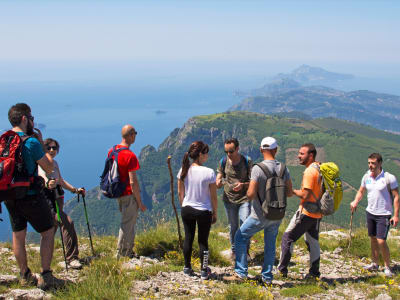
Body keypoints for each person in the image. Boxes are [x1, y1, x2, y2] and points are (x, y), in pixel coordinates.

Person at [4, 103, 64, 290]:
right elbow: (48, 167)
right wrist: (41, 142)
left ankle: (24, 274)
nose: (33, 121)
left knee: (18, 234)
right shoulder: (30, 142)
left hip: (9, 195)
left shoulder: (4, 140)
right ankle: (46, 275)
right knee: (48, 231)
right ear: (24, 118)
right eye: (31, 118)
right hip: (30, 195)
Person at [224, 137, 293, 285]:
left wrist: (246, 189)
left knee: (240, 237)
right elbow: (289, 192)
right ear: (276, 150)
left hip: (259, 215)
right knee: (270, 244)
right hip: (277, 214)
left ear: (261, 150)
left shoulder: (258, 168)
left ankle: (241, 273)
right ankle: (267, 278)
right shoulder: (283, 168)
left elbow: (250, 194)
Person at [38, 138, 85, 269]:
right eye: (49, 148)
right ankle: (72, 258)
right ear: (44, 149)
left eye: (54, 148)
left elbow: (61, 181)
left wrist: (75, 190)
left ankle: (44, 260)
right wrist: (48, 183)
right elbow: (41, 176)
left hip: (58, 199)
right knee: (67, 223)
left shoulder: (55, 163)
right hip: (49, 200)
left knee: (51, 229)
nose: (52, 150)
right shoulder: (41, 163)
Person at [278, 143, 323, 279]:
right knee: (313, 241)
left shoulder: (310, 171)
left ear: (311, 155)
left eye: (302, 154)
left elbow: (306, 195)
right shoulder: (319, 168)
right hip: (317, 212)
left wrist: (292, 191)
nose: (298, 156)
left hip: (306, 212)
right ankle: (314, 273)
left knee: (288, 238)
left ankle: (282, 270)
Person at [350, 153, 399, 277]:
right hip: (370, 212)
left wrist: (396, 215)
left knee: (381, 240)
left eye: (373, 163)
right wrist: (355, 201)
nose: (370, 166)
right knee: (372, 238)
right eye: (369, 163)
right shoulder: (366, 176)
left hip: (384, 214)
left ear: (380, 164)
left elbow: (396, 196)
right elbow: (361, 191)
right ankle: (375, 263)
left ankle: (387, 267)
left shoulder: (389, 178)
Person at [177, 141, 218, 280]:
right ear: (200, 154)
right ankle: (204, 270)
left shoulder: (184, 169)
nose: (207, 156)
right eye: (206, 153)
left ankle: (187, 267)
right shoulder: (209, 172)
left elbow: (180, 193)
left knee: (188, 238)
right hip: (203, 211)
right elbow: (213, 196)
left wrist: (184, 206)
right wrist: (215, 212)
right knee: (203, 241)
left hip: (187, 208)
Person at [110, 124, 146, 258]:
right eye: (135, 133)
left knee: (129, 222)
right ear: (131, 135)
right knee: (127, 223)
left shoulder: (113, 151)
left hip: (118, 192)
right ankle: (122, 253)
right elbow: (133, 182)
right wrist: (139, 201)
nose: (135, 136)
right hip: (128, 194)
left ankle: (129, 250)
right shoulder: (130, 156)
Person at [216, 138, 252, 260]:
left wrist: (243, 185)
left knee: (245, 224)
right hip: (229, 199)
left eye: (231, 151)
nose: (228, 154)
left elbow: (253, 181)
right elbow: (219, 176)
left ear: (237, 148)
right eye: (226, 151)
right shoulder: (223, 161)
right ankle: (234, 251)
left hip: (244, 198)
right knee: (233, 226)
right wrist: (218, 182)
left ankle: (245, 251)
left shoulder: (247, 161)